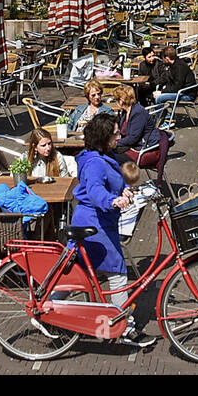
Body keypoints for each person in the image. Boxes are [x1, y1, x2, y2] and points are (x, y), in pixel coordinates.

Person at [70, 114, 154, 348]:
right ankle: (123, 328)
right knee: (117, 274)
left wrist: (125, 190)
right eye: (116, 133)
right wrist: (112, 201)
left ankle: (50, 307)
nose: (120, 136)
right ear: (104, 138)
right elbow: (96, 190)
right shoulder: (96, 163)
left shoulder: (101, 156)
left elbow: (112, 181)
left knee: (78, 272)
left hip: (98, 221)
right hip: (94, 224)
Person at [112, 84, 167, 175]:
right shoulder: (126, 112)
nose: (116, 102)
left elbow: (133, 138)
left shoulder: (138, 113)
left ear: (121, 101)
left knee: (110, 158)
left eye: (116, 100)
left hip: (144, 150)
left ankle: (120, 185)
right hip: (133, 146)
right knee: (105, 154)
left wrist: (115, 143)